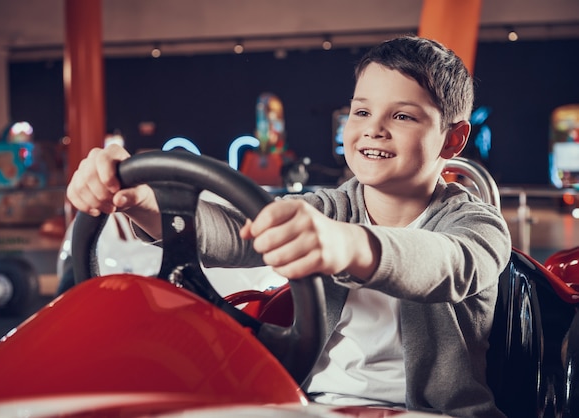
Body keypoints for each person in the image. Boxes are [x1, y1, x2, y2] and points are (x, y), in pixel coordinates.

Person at [66, 35, 512, 417]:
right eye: (360, 112)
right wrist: (141, 201)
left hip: (432, 413)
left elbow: (445, 265)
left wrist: (349, 246)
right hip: (311, 402)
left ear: (453, 139)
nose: (373, 129)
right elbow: (238, 231)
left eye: (402, 116)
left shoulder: (475, 224)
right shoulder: (328, 209)